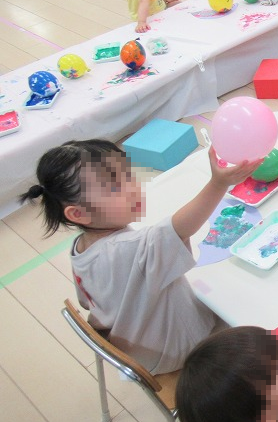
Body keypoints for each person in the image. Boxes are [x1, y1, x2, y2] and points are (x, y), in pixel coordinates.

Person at [19, 140, 260, 374]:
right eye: (115, 187)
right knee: (249, 313)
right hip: (180, 351)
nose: (133, 187)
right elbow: (180, 229)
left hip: (137, 349)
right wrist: (218, 184)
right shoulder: (125, 249)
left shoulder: (80, 248)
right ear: (79, 214)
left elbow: (86, 302)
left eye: (128, 175)